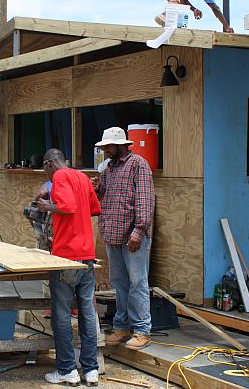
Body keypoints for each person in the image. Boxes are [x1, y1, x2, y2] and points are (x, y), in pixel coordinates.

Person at [36, 148, 101, 386]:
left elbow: (68, 206)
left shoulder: (60, 177)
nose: (48, 175)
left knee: (61, 315)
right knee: (87, 313)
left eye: (46, 170)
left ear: (49, 164)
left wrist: (47, 207)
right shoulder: (82, 177)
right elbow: (93, 208)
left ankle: (66, 370)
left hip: (66, 256)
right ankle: (91, 370)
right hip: (87, 255)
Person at [93, 127, 155, 350]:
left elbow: (146, 200)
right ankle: (121, 326)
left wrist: (139, 231)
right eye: (104, 147)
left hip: (132, 236)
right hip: (113, 233)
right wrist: (98, 190)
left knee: (137, 282)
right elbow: (105, 200)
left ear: (121, 145)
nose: (106, 151)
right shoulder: (108, 169)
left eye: (109, 146)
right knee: (119, 282)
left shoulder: (138, 164)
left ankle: (141, 330)